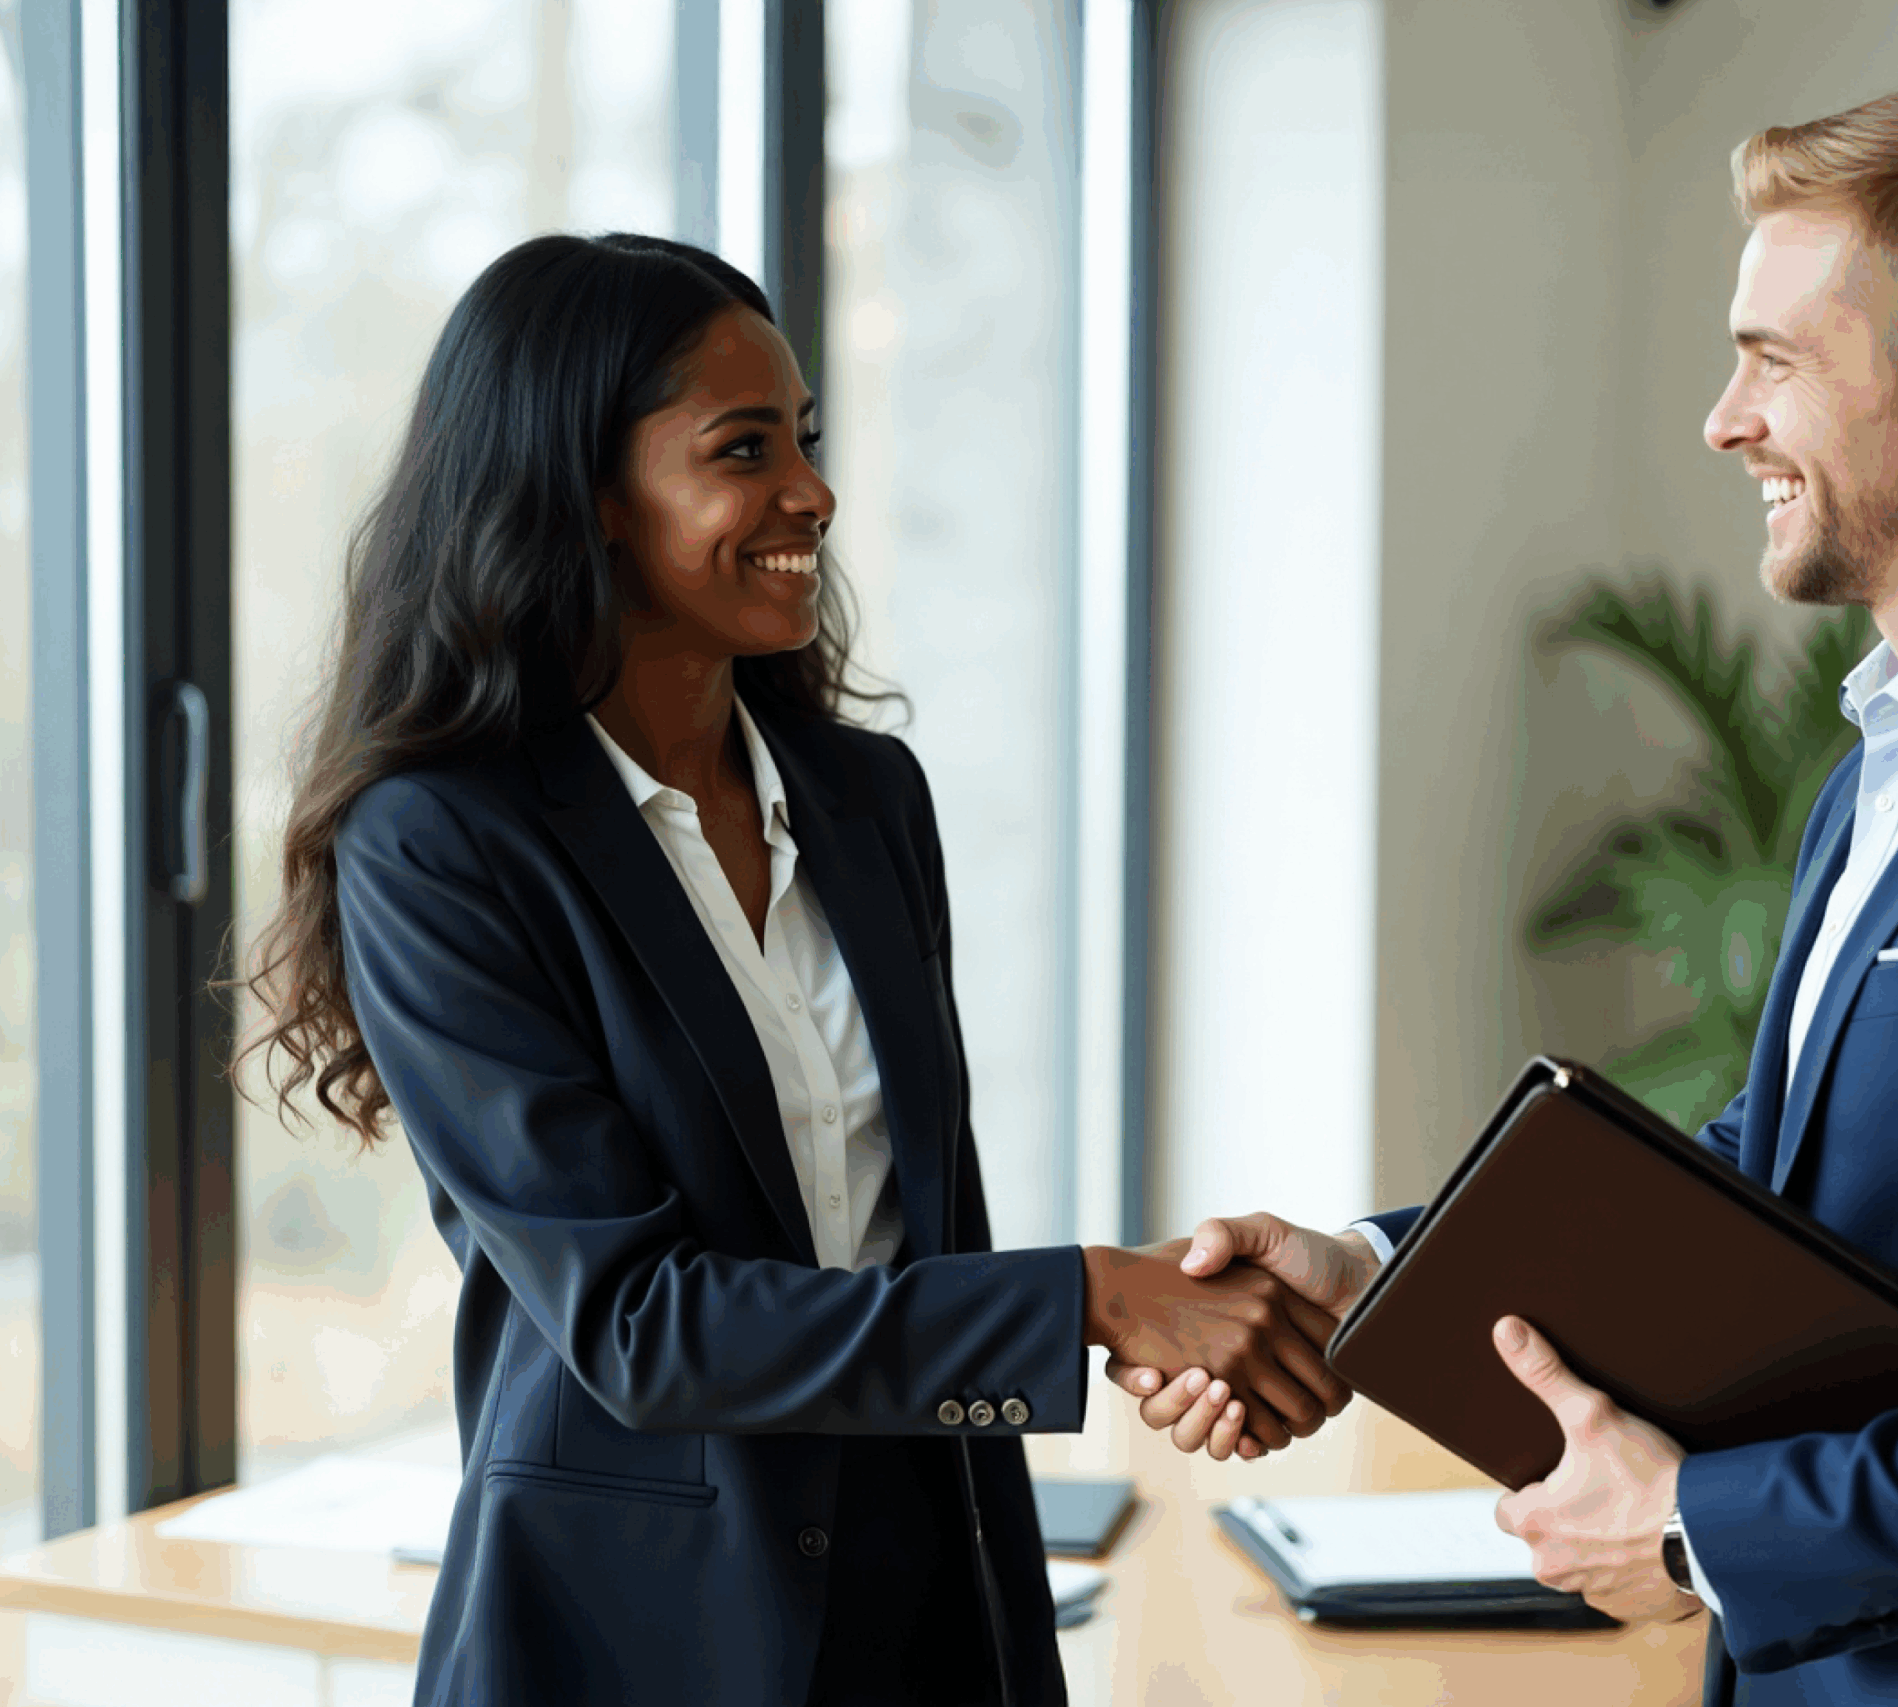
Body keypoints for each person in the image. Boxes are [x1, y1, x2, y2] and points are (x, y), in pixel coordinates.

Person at [1117, 87, 1898, 1706]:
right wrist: (1378, 1273)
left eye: (1773, 358)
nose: (1724, 416)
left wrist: (1703, 1525)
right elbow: (1780, 1189)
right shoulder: (1897, 749)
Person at [235, 231, 1350, 1707]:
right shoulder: (441, 843)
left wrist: (1151, 1317)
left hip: (935, 1599)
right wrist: (1095, 1297)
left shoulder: (867, 798)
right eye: (742, 450)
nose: (810, 493)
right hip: (627, 1639)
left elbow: (924, 1230)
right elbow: (640, 1324)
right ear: (587, 497)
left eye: (805, 441)